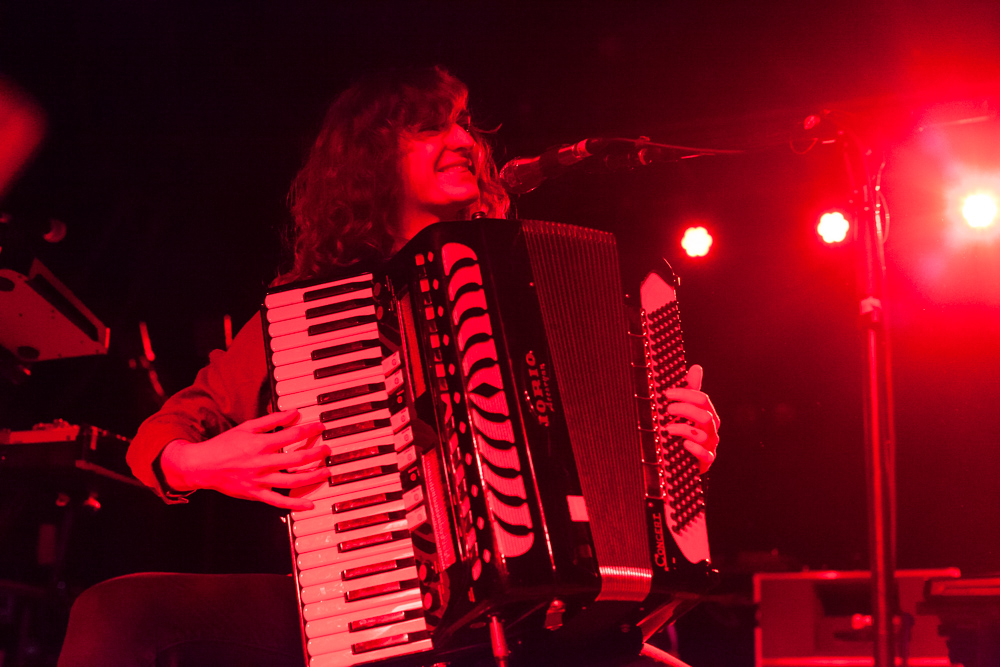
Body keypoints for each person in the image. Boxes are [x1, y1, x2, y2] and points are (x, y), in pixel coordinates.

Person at [58, 65, 721, 667]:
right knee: (118, 609)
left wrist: (680, 450)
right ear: (370, 161)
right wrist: (197, 463)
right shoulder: (314, 314)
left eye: (462, 123)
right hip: (369, 604)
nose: (462, 138)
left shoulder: (536, 282)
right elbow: (158, 435)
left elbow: (616, 467)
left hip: (544, 627)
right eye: (427, 128)